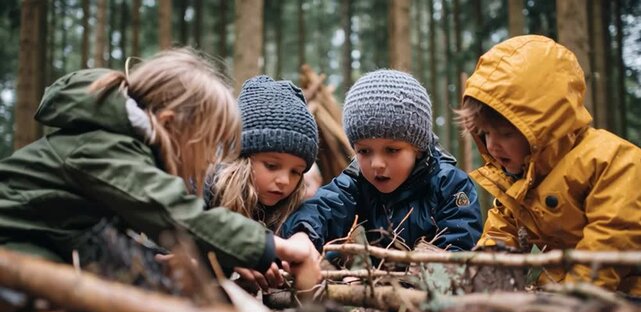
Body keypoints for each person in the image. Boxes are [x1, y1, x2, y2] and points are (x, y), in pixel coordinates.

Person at [0, 49, 320, 289]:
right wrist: (276, 247)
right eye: (207, 143)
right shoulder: (106, 148)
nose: (211, 158)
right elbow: (178, 215)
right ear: (172, 126)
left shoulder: (119, 146)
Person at [456, 35, 641, 294]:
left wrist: (573, 299)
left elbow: (610, 238)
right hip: (561, 292)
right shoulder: (519, 180)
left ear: (544, 128)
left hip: (625, 293)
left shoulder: (610, 161)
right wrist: (483, 282)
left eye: (505, 133)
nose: (492, 146)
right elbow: (500, 234)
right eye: (485, 134)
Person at [280, 69, 483, 254]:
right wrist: (302, 235)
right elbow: (324, 206)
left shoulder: (451, 185)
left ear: (418, 148)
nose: (376, 163)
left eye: (392, 150)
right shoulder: (358, 182)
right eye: (364, 151)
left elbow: (460, 246)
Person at [204, 75, 321, 290]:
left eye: (296, 172)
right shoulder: (204, 188)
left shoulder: (289, 212)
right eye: (271, 166)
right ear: (241, 158)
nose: (285, 181)